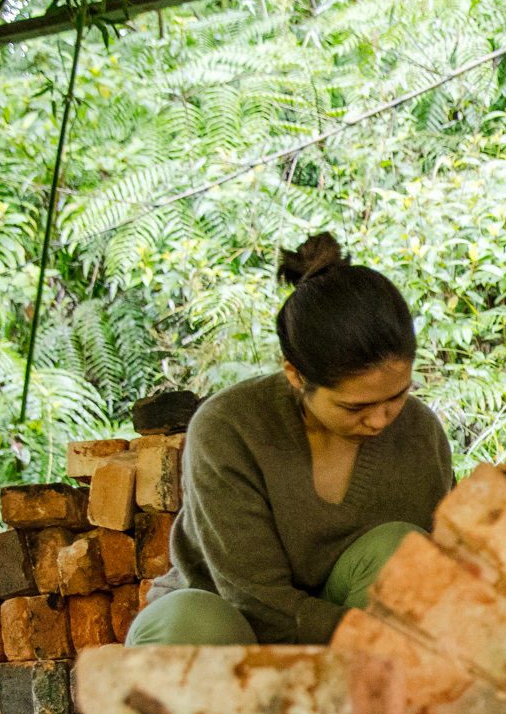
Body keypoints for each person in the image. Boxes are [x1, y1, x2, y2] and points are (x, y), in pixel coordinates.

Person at [128, 234, 456, 645]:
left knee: (403, 552)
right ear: (296, 376)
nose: (380, 420)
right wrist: (374, 639)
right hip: (227, 624)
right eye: (355, 407)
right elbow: (256, 602)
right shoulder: (230, 430)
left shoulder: (420, 434)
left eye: (397, 395)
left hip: (352, 647)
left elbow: (450, 575)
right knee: (195, 624)